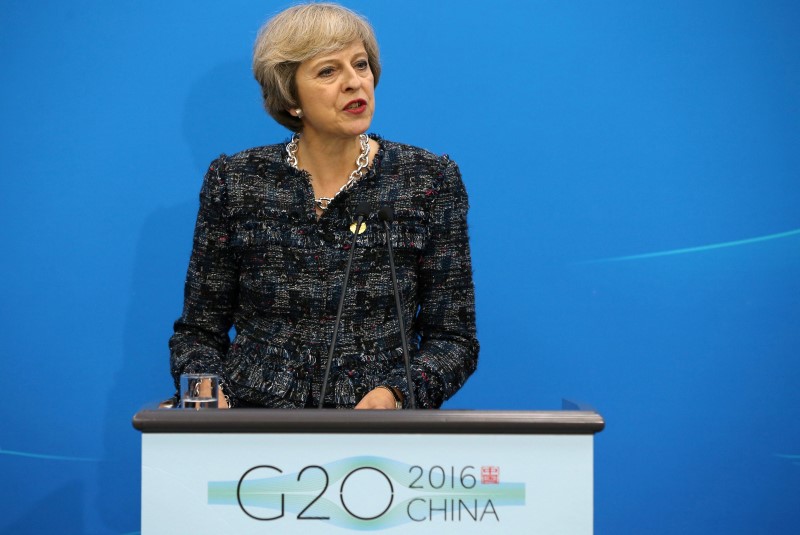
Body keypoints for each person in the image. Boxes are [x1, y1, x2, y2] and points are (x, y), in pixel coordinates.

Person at [169, 3, 478, 409]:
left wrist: (398, 394)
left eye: (361, 65)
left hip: (377, 429)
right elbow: (198, 333)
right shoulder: (236, 181)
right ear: (290, 96)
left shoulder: (426, 180)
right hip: (250, 427)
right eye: (328, 71)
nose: (354, 83)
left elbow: (452, 340)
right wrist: (208, 399)